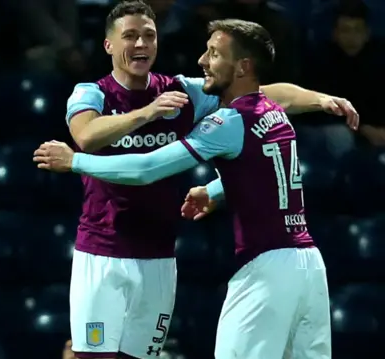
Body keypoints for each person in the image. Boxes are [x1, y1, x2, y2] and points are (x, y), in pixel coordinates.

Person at [62, 1, 356, 358]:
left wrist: (318, 99)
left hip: (161, 256)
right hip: (102, 252)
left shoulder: (186, 94)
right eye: (130, 36)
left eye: (149, 36)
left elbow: (265, 93)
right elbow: (87, 136)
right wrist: (148, 114)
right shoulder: (90, 92)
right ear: (108, 44)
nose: (141, 44)